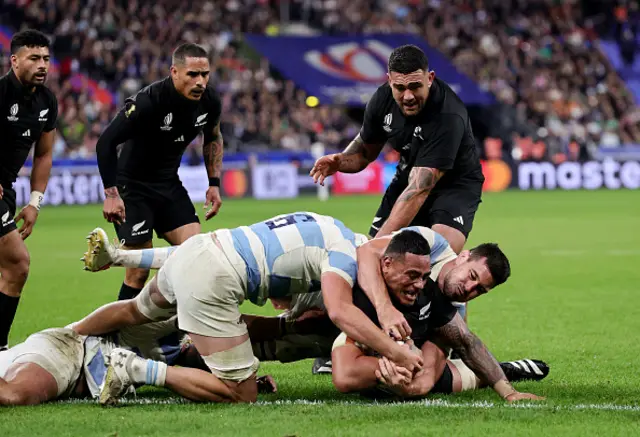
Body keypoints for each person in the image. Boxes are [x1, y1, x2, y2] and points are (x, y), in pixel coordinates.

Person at [72, 213, 424, 405]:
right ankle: (133, 369)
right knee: (241, 393)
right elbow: (339, 311)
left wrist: (123, 258)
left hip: (201, 249)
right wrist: (396, 353)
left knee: (135, 311)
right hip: (213, 280)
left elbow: (189, 252)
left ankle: (70, 335)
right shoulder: (346, 254)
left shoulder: (326, 223)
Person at [310, 44, 484, 254]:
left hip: (455, 186)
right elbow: (364, 154)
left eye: (415, 86)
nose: (408, 96)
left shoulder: (448, 114)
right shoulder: (382, 100)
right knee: (381, 267)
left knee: (438, 259)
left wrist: (374, 249)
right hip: (409, 175)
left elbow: (420, 189)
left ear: (430, 78)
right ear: (390, 81)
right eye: (400, 88)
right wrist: (340, 161)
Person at [330, 243, 547, 401]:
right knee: (349, 374)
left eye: (480, 289)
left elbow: (463, 346)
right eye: (472, 276)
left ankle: (501, 371)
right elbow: (367, 251)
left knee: (441, 382)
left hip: (418, 348)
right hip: (378, 330)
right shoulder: (427, 244)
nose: (470, 289)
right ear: (463, 257)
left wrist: (403, 385)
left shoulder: (448, 314)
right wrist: (384, 310)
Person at [96, 42, 224, 303]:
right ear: (174, 72)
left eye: (205, 74)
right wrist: (111, 194)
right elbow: (105, 142)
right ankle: (116, 338)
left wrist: (214, 183)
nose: (200, 82)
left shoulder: (210, 100)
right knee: (137, 274)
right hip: (132, 188)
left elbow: (213, 136)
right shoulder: (149, 101)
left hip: (168, 184)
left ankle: (174, 333)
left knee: (195, 257)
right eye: (193, 75)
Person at [0, 316, 279, 406]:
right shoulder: (156, 307)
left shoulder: (181, 339)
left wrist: (243, 377)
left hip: (73, 371)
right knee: (13, 396)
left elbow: (197, 357)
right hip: (69, 349)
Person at [0, 30, 58, 351]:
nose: (42, 65)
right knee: (17, 263)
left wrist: (35, 202)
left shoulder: (47, 101)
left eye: (46, 59)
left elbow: (44, 154)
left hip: (6, 189)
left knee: (13, 267)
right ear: (15, 60)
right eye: (34, 58)